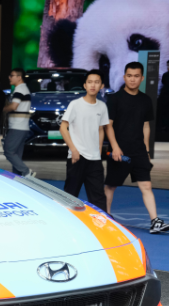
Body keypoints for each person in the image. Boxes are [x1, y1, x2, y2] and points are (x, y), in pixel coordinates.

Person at [104, 62, 169, 234]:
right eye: (129, 76)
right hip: (119, 152)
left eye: (136, 76)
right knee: (111, 185)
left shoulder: (146, 100)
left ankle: (155, 221)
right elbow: (108, 126)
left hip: (139, 151)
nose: (132, 79)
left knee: (146, 185)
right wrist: (115, 147)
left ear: (142, 78)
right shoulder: (114, 99)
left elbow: (146, 126)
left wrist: (147, 151)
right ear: (124, 77)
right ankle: (105, 217)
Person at [59, 69, 109, 210]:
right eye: (90, 82)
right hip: (77, 157)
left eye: (96, 82)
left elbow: (101, 129)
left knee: (98, 197)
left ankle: (100, 223)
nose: (93, 85)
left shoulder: (102, 106)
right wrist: (73, 150)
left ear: (101, 86)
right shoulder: (75, 104)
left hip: (95, 159)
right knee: (70, 196)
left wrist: (98, 151)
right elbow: (63, 128)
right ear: (85, 85)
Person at [3, 68, 35, 178]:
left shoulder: (19, 90)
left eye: (12, 75)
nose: (9, 77)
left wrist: (2, 109)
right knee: (16, 154)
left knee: (8, 151)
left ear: (19, 77)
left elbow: (13, 106)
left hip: (17, 126)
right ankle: (18, 177)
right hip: (22, 126)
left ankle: (26, 172)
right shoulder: (23, 89)